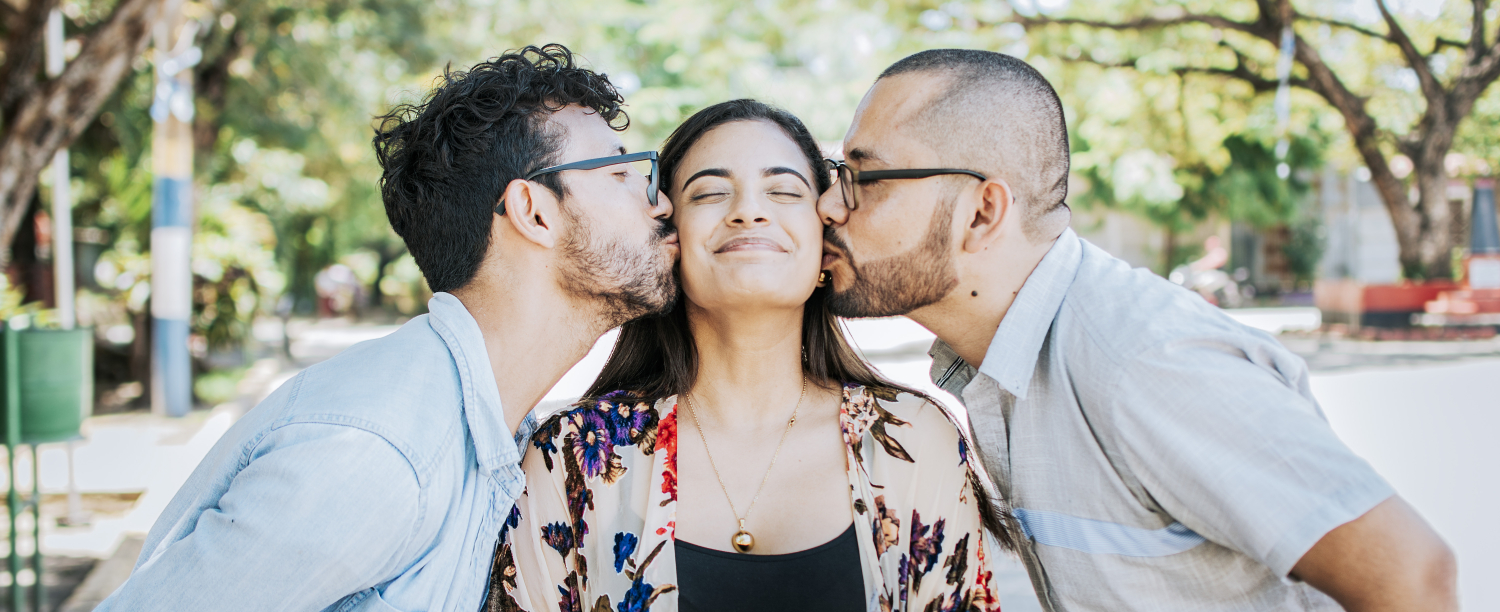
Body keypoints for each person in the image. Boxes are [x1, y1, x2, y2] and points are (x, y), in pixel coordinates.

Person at [815, 48, 1459, 612]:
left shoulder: (1145, 362)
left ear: (982, 212)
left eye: (861, 178)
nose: (829, 204)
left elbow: (1411, 576)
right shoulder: (998, 357)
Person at [97, 44, 678, 612]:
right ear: (535, 212)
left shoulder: (491, 424)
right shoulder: (383, 456)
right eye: (623, 171)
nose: (661, 204)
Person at [484, 99, 1004, 612]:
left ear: (823, 238)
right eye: (709, 192)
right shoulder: (575, 454)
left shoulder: (915, 438)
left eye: (782, 191)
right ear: (669, 238)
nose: (748, 211)